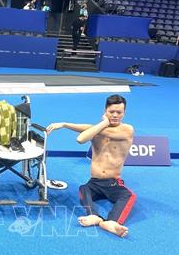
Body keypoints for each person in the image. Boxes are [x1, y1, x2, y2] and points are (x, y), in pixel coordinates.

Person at [46, 95, 136, 237]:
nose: (115, 115)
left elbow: (81, 137)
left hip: (113, 182)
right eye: (111, 112)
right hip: (94, 182)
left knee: (128, 195)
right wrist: (64, 124)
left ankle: (112, 222)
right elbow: (85, 132)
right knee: (84, 189)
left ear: (124, 113)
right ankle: (94, 216)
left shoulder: (127, 130)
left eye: (119, 112)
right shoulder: (96, 130)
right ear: (105, 111)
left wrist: (103, 122)